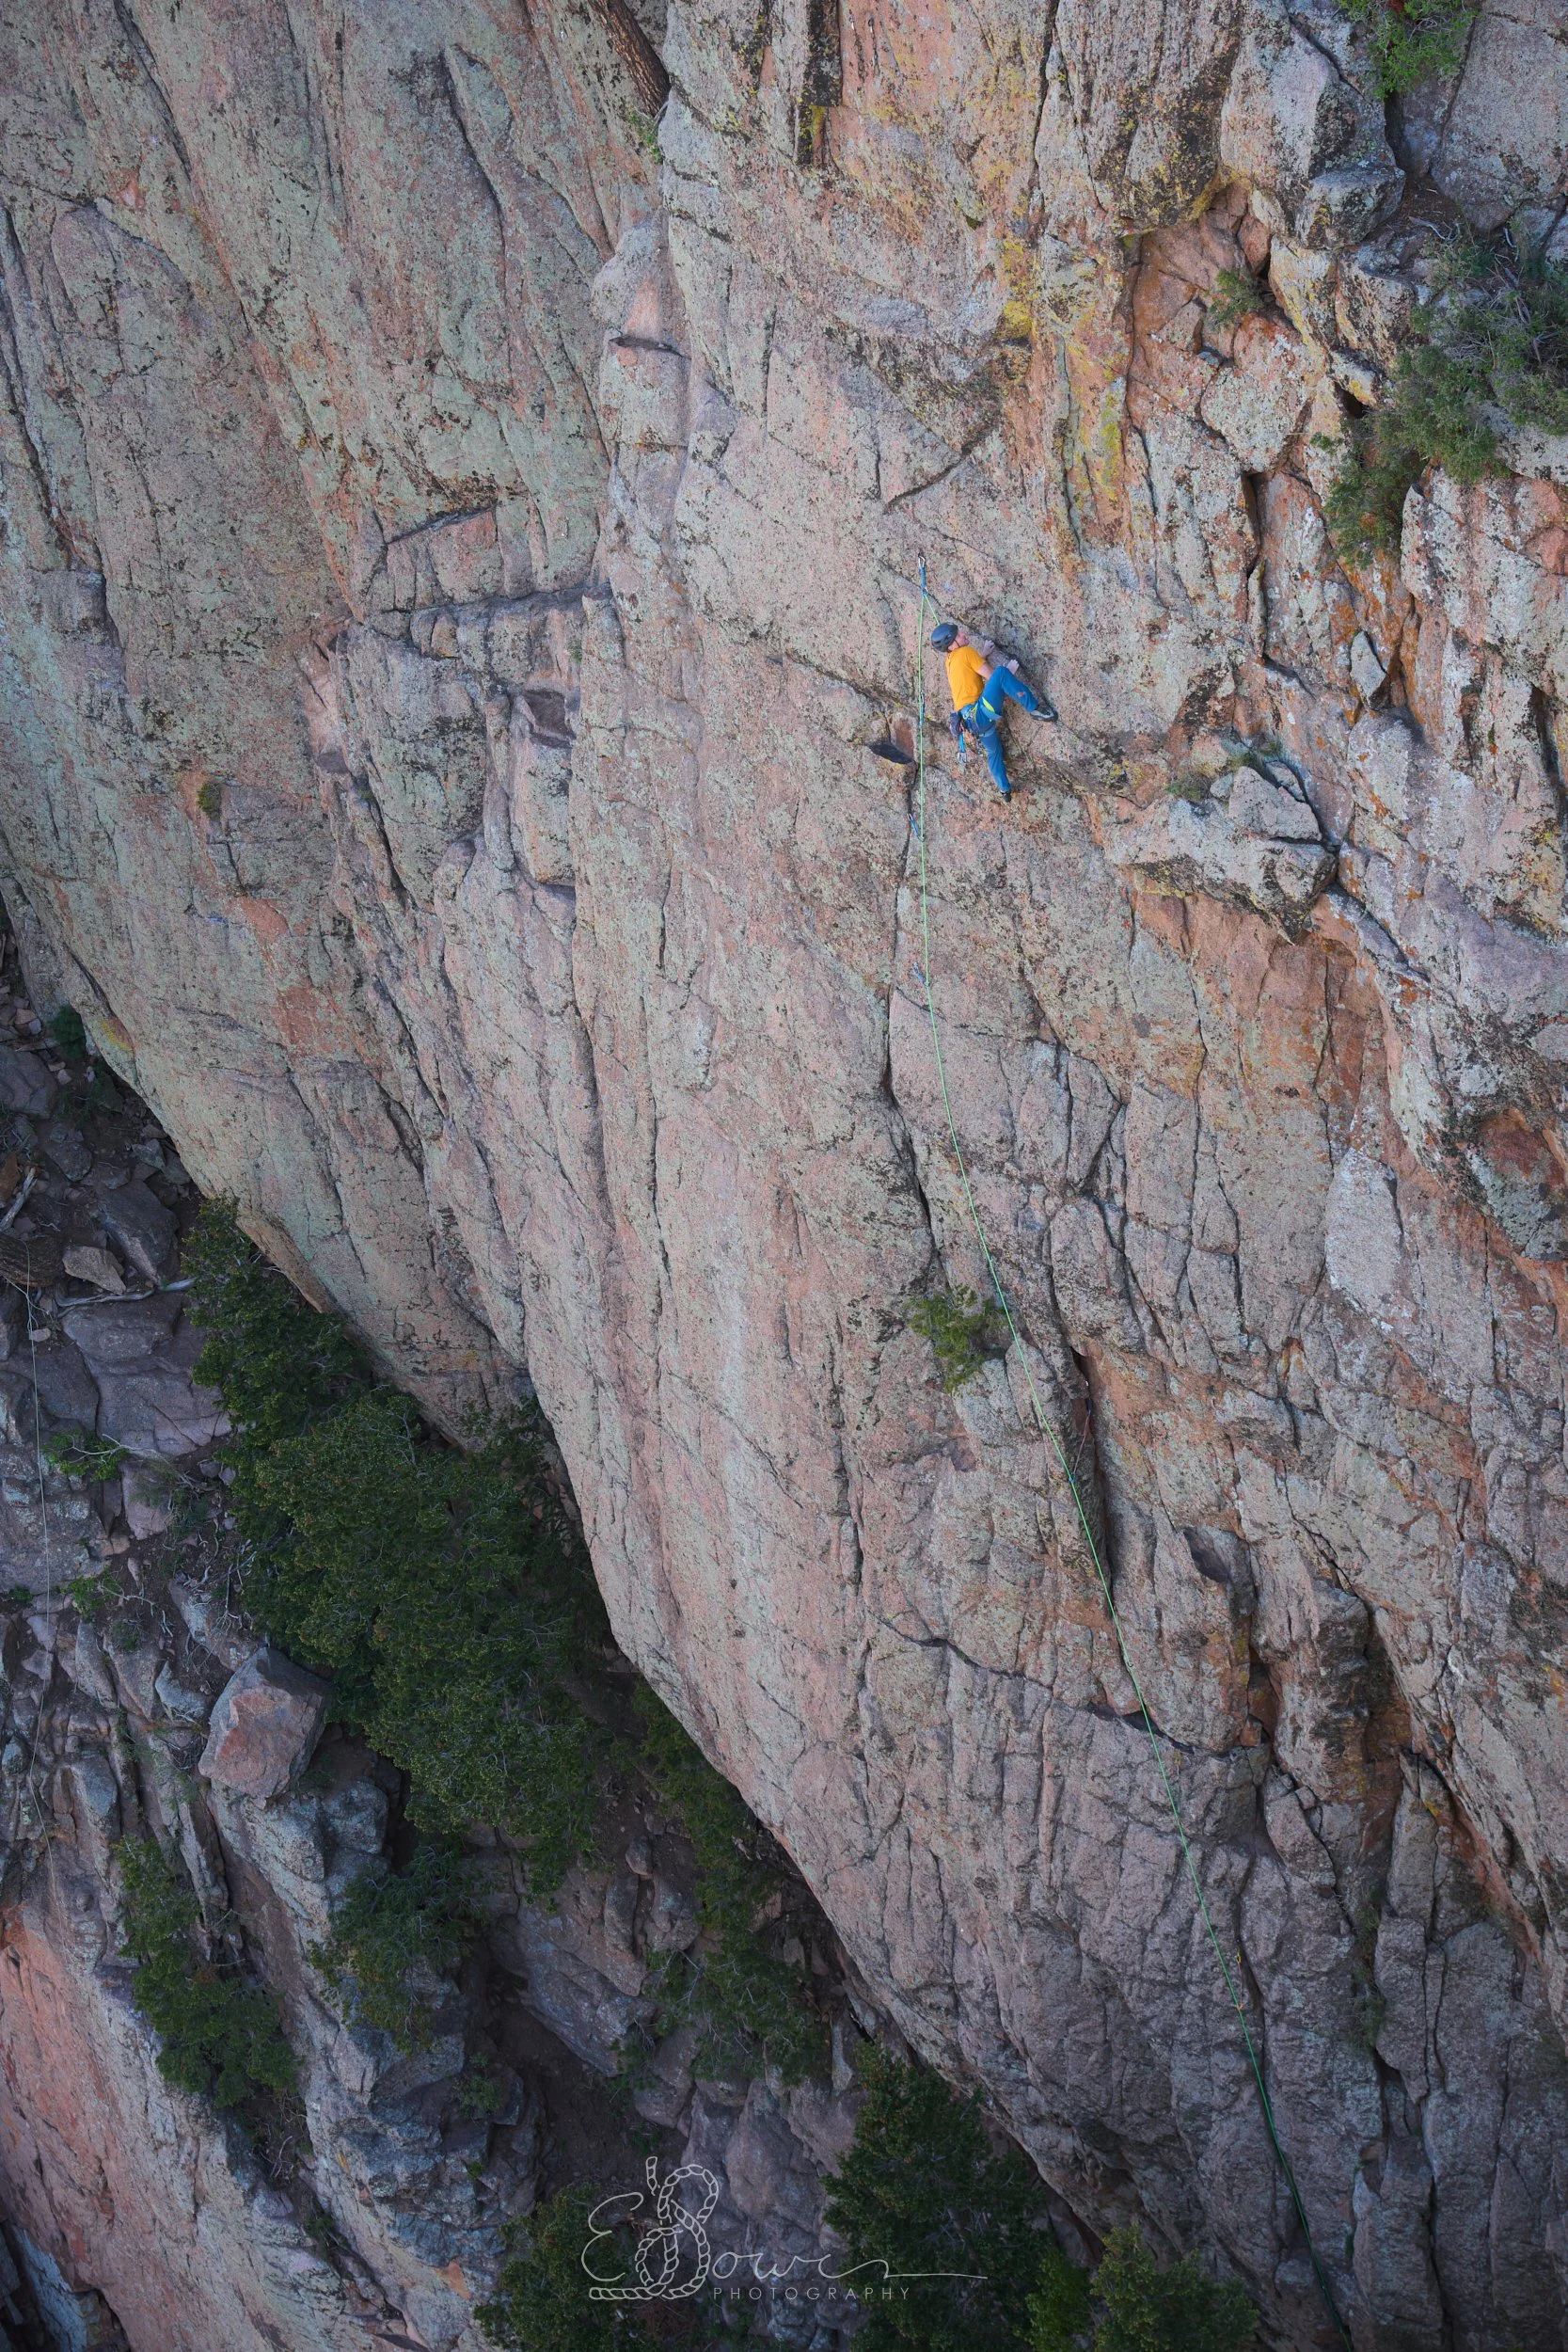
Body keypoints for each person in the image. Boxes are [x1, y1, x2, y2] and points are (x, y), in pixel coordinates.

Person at [929, 621, 1055, 800]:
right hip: (980, 712)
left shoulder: (951, 661)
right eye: (958, 635)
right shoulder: (966, 652)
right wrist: (1008, 672)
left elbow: (968, 671)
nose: (963, 635)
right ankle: (1035, 709)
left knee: (994, 752)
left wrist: (983, 654)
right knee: (1002, 673)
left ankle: (1004, 790)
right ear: (951, 645)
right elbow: (992, 675)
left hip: (973, 723)